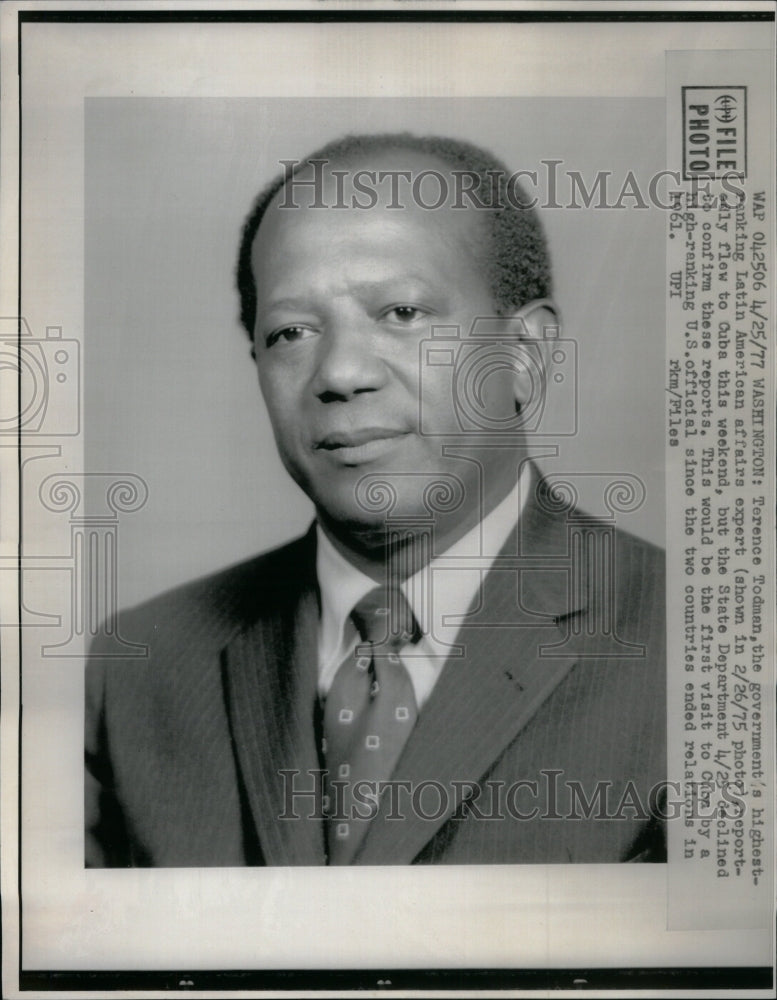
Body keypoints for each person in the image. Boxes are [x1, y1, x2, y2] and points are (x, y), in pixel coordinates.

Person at [85, 132, 666, 867]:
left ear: (524, 354)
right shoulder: (138, 667)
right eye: (291, 331)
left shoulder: (706, 650)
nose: (341, 372)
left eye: (400, 313)